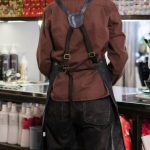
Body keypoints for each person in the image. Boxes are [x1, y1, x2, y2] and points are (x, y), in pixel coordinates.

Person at [37, 0, 128, 150]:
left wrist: (61, 78)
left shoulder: (51, 9)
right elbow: (120, 57)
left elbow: (43, 61)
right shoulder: (107, 6)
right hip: (96, 97)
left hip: (60, 97)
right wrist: (102, 80)